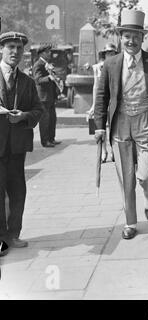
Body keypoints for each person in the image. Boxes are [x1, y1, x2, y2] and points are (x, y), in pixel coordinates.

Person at [94, 9, 148, 240]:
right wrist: (100, 127)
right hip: (120, 125)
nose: (131, 41)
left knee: (146, 175)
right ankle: (130, 222)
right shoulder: (111, 64)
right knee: (126, 178)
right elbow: (102, 96)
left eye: (136, 36)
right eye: (127, 36)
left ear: (142, 38)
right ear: (121, 37)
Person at [0, 31, 44, 249]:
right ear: (1, 49)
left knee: (17, 191)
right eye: (10, 47)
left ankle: (13, 234)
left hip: (17, 146)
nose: (15, 52)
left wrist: (24, 116)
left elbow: (39, 109)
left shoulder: (27, 81)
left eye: (19, 48)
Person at [88, 43, 118, 163]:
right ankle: (103, 150)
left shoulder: (118, 66)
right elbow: (96, 87)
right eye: (108, 53)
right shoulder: (97, 67)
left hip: (113, 99)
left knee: (113, 126)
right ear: (104, 54)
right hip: (102, 99)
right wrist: (93, 105)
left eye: (112, 53)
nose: (110, 55)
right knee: (100, 127)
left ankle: (113, 150)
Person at [32, 44, 61, 148]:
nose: (50, 53)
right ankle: (45, 141)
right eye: (48, 52)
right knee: (45, 120)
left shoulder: (47, 64)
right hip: (43, 97)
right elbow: (38, 80)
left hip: (50, 96)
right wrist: (49, 78)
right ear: (42, 53)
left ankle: (51, 139)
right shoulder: (38, 64)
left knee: (52, 118)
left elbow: (52, 78)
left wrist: (54, 77)